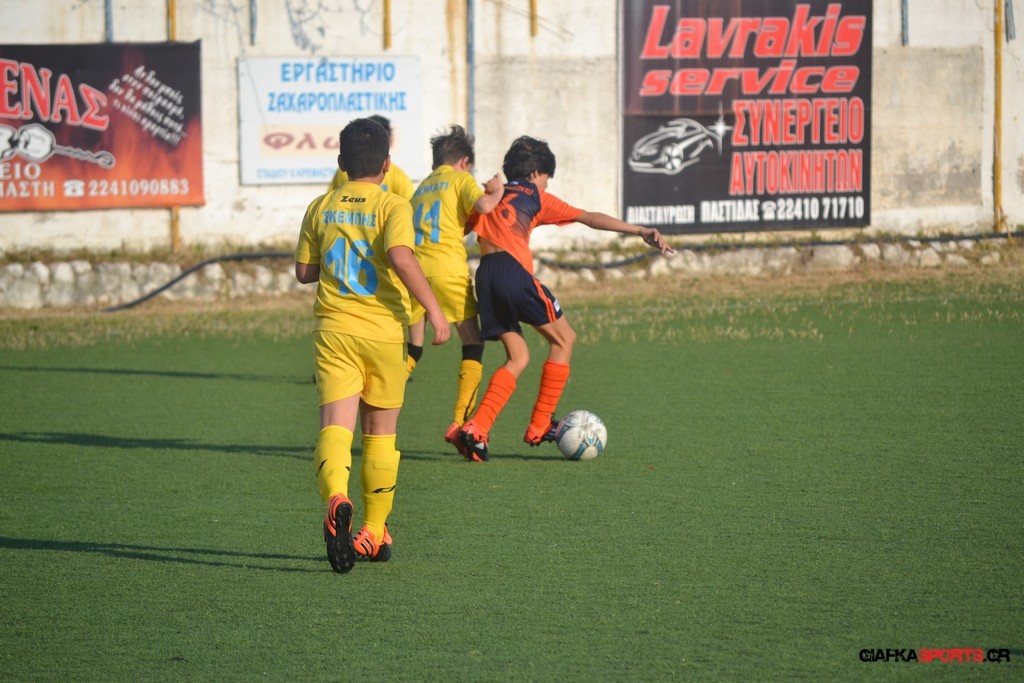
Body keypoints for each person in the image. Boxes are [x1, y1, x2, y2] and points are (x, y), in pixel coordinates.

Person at [455, 135, 673, 462]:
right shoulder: (536, 195)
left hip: (485, 275)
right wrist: (640, 231)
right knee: (564, 339)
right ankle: (540, 424)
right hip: (513, 272)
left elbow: (461, 226)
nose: (546, 184)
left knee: (518, 356)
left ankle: (477, 428)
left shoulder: (489, 195)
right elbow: (588, 217)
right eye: (547, 177)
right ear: (536, 173)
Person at [296, 117, 451, 574]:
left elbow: (304, 273)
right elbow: (400, 256)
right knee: (381, 435)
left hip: (334, 330)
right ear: (386, 164)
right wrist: (435, 310)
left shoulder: (320, 206)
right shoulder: (393, 205)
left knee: (336, 428)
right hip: (384, 332)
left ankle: (336, 497)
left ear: (341, 162)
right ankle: (374, 530)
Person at [406, 125, 504, 446]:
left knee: (413, 348)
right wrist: (497, 189)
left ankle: (376, 397)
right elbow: (485, 206)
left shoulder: (420, 189)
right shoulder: (461, 180)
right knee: (472, 343)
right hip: (447, 270)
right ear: (464, 162)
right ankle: (460, 422)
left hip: (415, 274)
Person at [328, 114, 415, 200]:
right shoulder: (398, 176)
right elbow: (410, 204)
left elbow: (330, 200)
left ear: (341, 162)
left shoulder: (343, 170)